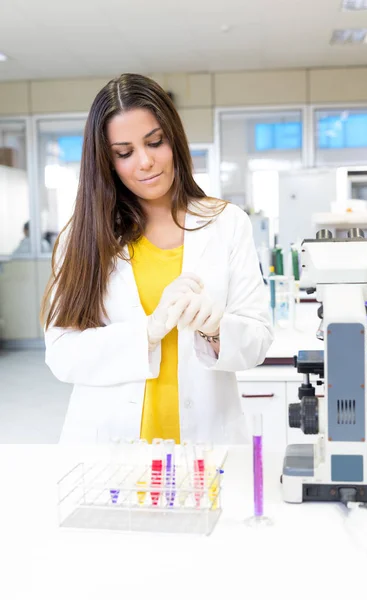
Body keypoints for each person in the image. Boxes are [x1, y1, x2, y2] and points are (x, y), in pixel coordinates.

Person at [41, 73, 274, 444]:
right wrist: (148, 331)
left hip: (207, 445)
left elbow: (258, 339)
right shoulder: (82, 237)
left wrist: (215, 331)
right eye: (124, 152)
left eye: (155, 142)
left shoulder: (227, 223)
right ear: (106, 161)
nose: (145, 162)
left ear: (174, 139)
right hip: (111, 449)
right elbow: (63, 353)